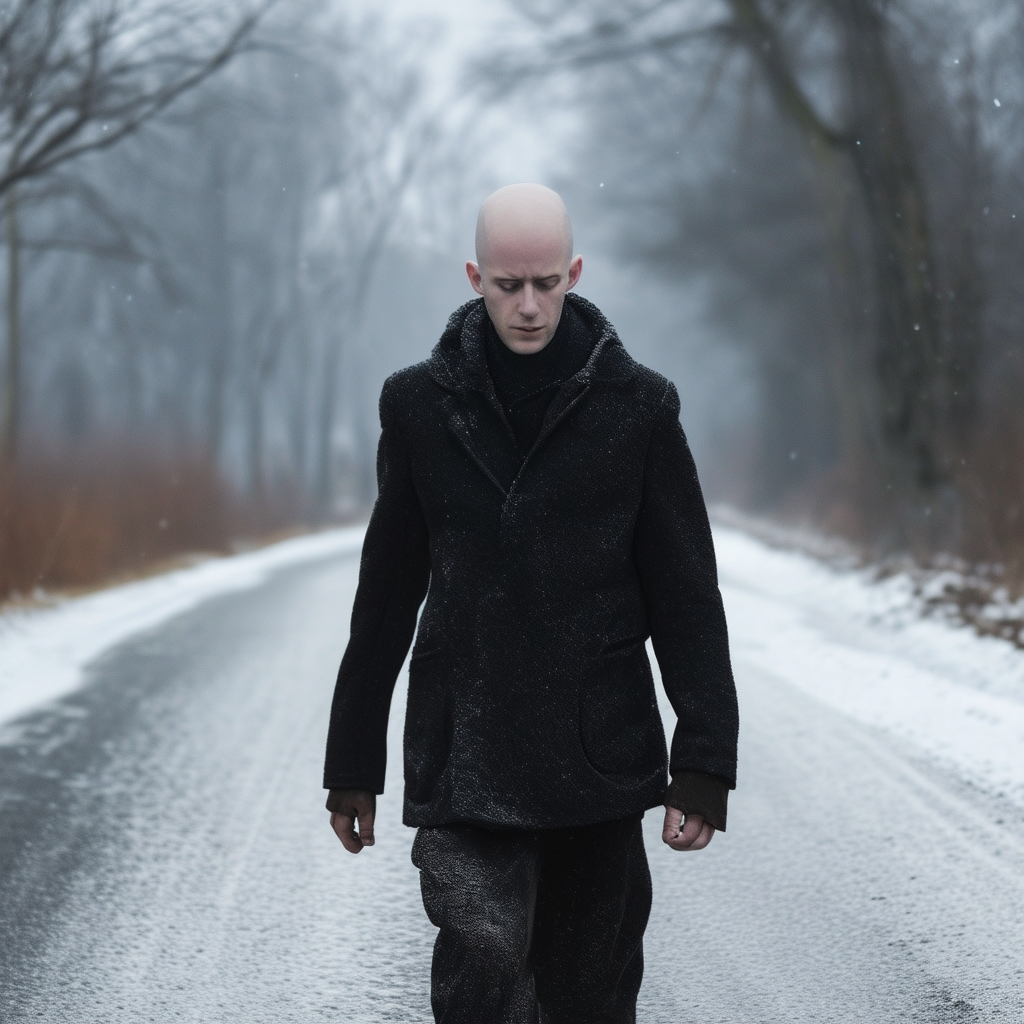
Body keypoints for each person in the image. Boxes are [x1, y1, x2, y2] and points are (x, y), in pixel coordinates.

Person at [323, 183, 739, 1024]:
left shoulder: (642, 408)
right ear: (475, 277)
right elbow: (387, 593)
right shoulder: (417, 406)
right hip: (467, 747)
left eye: (545, 282)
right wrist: (352, 764)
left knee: (588, 995)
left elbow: (687, 595)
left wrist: (703, 760)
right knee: (479, 963)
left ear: (575, 273)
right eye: (508, 284)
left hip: (598, 755)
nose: (528, 304)